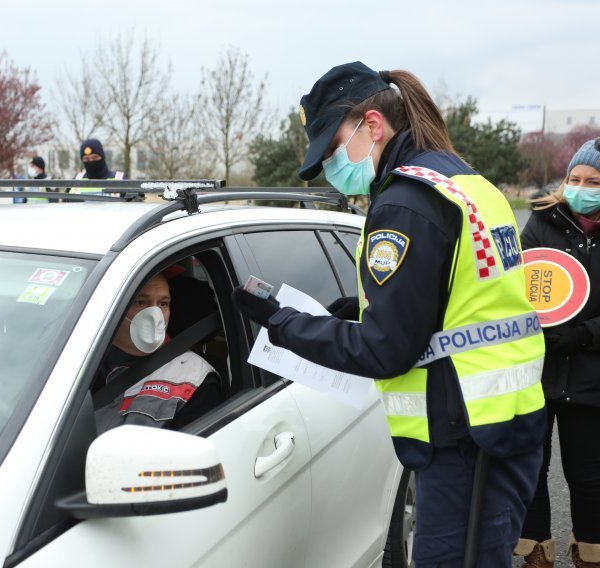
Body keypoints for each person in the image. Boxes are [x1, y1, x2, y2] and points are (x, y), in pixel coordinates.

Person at [230, 61, 546, 567]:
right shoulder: (466, 184)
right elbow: (463, 294)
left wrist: (281, 322)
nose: (334, 167)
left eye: (333, 150)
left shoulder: (405, 204)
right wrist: (361, 307)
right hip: (506, 422)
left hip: (464, 437)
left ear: (372, 126)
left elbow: (386, 349)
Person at [516, 138, 600, 568]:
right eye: (574, 178)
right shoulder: (542, 222)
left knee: (587, 477)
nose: (581, 187)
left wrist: (584, 334)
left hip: (590, 376)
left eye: (593, 181)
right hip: (539, 369)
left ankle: (590, 555)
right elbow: (519, 283)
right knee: (530, 470)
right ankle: (536, 554)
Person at [94, 270, 223, 433]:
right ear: (114, 309)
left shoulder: (193, 377)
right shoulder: (78, 358)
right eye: (140, 302)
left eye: (163, 304)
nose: (155, 315)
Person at [71, 139, 142, 201]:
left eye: (95, 157)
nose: (91, 161)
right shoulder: (75, 182)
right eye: (86, 159)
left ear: (102, 156)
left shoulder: (120, 180)